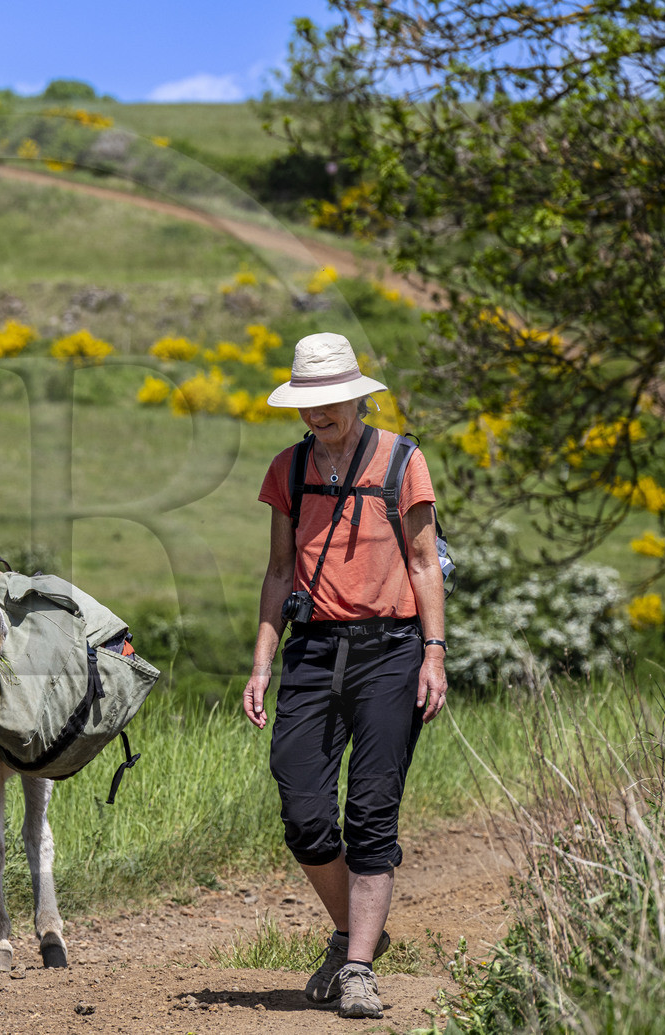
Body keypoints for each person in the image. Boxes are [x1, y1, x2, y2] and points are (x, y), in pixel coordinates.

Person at [242, 332, 448, 1020]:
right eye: (308, 402)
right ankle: (354, 928)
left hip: (390, 650)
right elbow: (277, 571)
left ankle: (358, 965)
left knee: (371, 811)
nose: (317, 413)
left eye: (329, 401)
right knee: (302, 806)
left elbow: (424, 564)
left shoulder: (402, 461)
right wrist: (262, 662)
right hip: (313, 647)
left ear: (356, 398)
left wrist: (433, 651)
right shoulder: (287, 469)